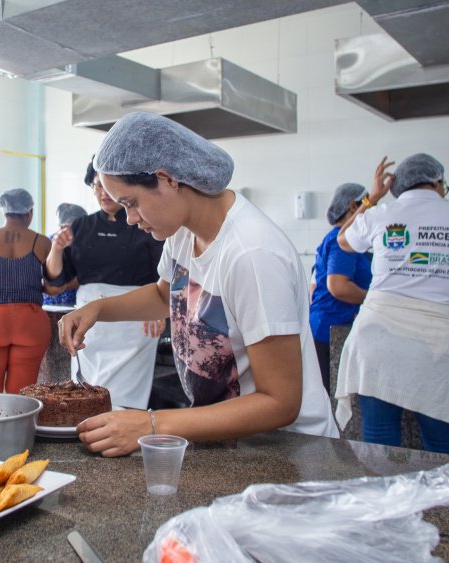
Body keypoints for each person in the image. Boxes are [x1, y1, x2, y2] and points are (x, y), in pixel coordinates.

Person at [57, 112, 338, 457]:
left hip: (289, 450)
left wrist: (152, 424)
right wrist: (97, 309)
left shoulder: (252, 253)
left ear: (167, 179)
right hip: (230, 442)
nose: (130, 219)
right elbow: (164, 295)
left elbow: (280, 402)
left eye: (131, 203)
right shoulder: (182, 234)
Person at [335, 154, 449, 456]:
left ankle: (386, 503)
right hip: (434, 347)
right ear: (437, 182)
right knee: (443, 445)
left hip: (375, 339)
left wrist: (372, 198)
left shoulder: (380, 215)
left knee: (380, 444)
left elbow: (343, 239)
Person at [45, 158, 166, 410]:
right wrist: (56, 248)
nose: (103, 192)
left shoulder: (142, 223)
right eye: (96, 186)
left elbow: (164, 274)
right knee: (87, 388)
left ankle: (125, 429)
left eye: (107, 186)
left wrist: (160, 309)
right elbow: (57, 279)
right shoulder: (81, 226)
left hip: (136, 316)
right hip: (90, 321)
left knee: (126, 394)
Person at [0, 189, 52, 393]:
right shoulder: (41, 242)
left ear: (4, 211)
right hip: (30, 322)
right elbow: (52, 287)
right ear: (29, 212)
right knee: (22, 394)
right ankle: (20, 425)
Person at [309, 183, 373, 393]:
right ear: (354, 206)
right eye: (368, 205)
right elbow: (338, 287)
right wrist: (378, 298)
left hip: (329, 325)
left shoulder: (346, 240)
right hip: (331, 329)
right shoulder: (341, 241)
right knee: (330, 399)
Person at [43, 203, 88, 307]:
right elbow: (43, 275)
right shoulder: (48, 242)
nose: (71, 234)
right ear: (60, 226)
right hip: (50, 304)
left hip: (76, 304)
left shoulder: (87, 244)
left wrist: (61, 286)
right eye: (67, 228)